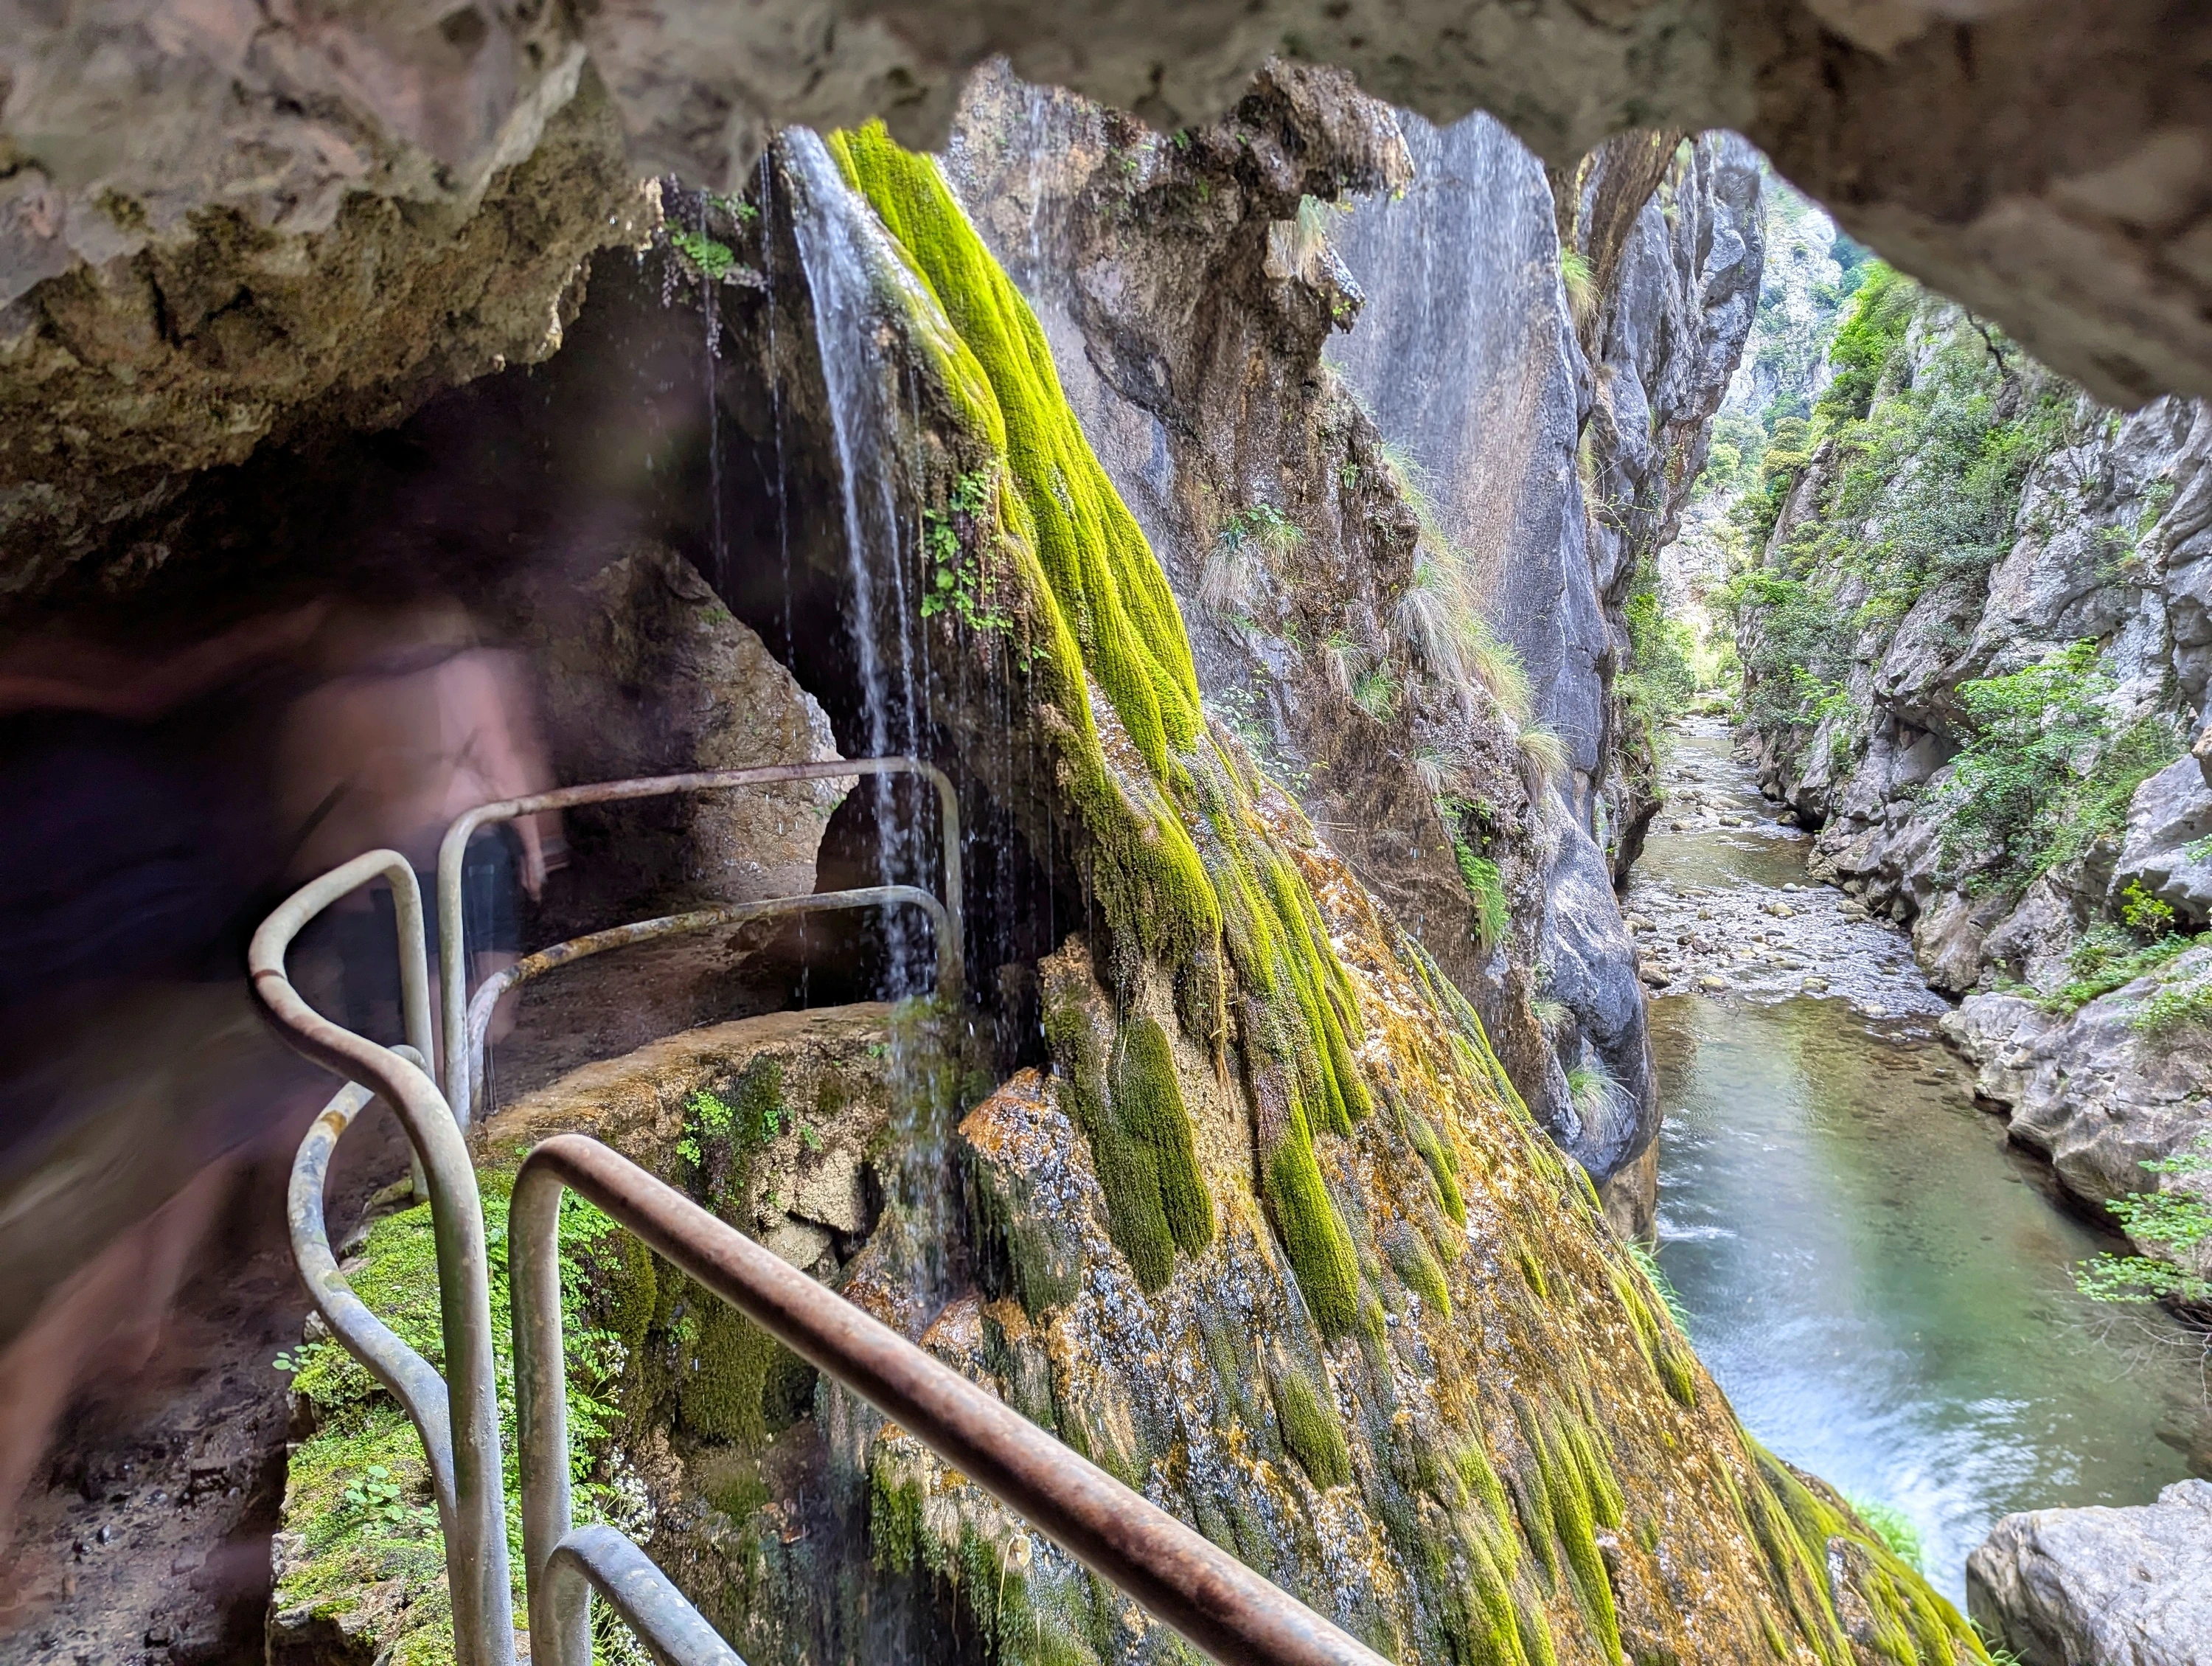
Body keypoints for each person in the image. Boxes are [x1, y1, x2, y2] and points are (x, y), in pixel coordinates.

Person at [0, 605, 333, 1547]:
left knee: (184, 1146)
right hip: (91, 1010)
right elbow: (126, 684)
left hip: (116, 996)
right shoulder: (69, 758)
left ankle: (140, 1333)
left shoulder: (79, 768)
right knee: (58, 1289)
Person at [272, 595, 562, 1049]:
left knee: (431, 984)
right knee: (489, 977)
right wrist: (534, 847)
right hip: (470, 841)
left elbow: (343, 801)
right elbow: (503, 764)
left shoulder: (345, 698)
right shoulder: (472, 673)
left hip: (403, 854)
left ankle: (445, 1095)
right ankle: (473, 1090)